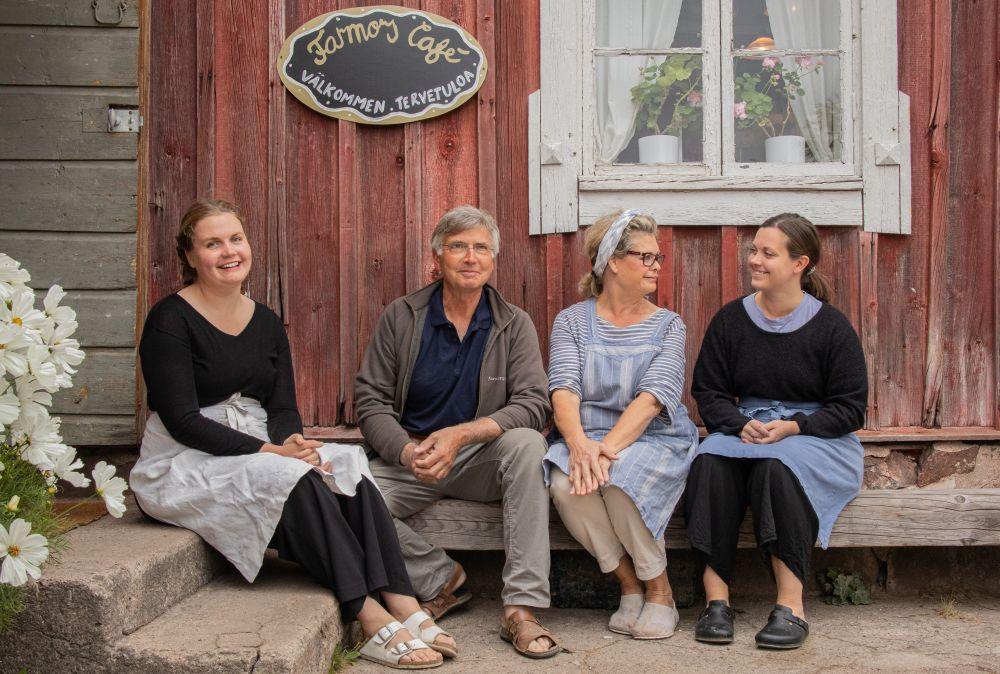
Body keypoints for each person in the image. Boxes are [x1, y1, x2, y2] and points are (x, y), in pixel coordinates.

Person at [130, 199, 447, 670]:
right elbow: (182, 420)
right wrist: (270, 451)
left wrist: (293, 442)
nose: (228, 251)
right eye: (212, 243)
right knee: (291, 477)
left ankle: (402, 597)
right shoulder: (169, 320)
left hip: (256, 441)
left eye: (235, 239)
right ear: (190, 256)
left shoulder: (265, 320)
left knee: (347, 466)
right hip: (186, 455)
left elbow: (280, 407)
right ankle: (367, 614)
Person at [356, 205, 563, 659]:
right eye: (458, 247)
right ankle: (441, 577)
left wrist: (461, 435)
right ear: (438, 258)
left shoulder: (513, 323)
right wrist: (408, 453)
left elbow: (534, 404)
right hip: (413, 460)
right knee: (345, 498)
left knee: (529, 445)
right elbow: (370, 402)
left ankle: (521, 611)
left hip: (481, 458)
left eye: (480, 248)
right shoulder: (402, 316)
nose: (470, 257)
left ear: (492, 259)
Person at [686, 212, 868, 650]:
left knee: (776, 468)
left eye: (768, 253)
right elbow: (708, 392)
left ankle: (791, 606)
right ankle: (717, 602)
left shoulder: (831, 327)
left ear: (799, 264)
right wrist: (737, 424)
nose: (755, 260)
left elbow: (850, 408)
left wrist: (794, 426)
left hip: (814, 437)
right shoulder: (731, 320)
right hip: (747, 428)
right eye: (753, 250)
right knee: (709, 460)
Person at [544, 210, 698, 640]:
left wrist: (603, 451)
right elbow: (564, 389)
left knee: (619, 480)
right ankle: (629, 586)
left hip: (653, 435)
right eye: (644, 257)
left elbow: (652, 399)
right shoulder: (572, 322)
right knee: (563, 484)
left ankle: (660, 590)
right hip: (583, 435)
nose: (655, 266)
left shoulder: (669, 325)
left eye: (658, 258)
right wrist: (578, 444)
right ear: (612, 260)